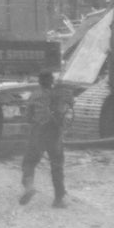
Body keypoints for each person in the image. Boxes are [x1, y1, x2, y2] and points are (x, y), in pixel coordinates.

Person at [20, 71, 76, 208]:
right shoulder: (60, 94)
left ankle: (29, 187)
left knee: (29, 162)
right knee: (57, 165)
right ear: (52, 81)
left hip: (39, 133)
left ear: (40, 82)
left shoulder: (35, 95)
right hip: (55, 133)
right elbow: (69, 109)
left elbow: (27, 117)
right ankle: (59, 199)